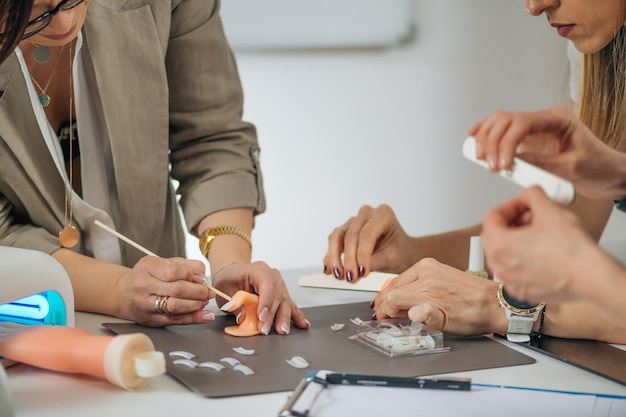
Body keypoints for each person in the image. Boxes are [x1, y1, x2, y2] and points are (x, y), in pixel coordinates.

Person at [323, 0, 626, 343]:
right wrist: (410, 253)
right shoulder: (600, 53)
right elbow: (570, 236)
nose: (535, 6)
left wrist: (509, 307)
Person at [0, 0, 309, 335]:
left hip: (167, 336)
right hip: (29, 322)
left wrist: (230, 262)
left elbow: (210, 136)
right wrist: (117, 290)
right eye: (36, 14)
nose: (64, 22)